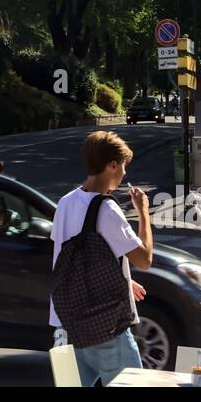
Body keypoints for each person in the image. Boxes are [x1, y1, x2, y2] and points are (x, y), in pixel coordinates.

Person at [50, 130, 152, 387]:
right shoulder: (106, 209)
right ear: (112, 165)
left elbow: (72, 262)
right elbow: (144, 259)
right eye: (123, 167)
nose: (125, 174)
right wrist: (143, 213)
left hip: (65, 328)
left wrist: (122, 280)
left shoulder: (64, 203)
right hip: (105, 333)